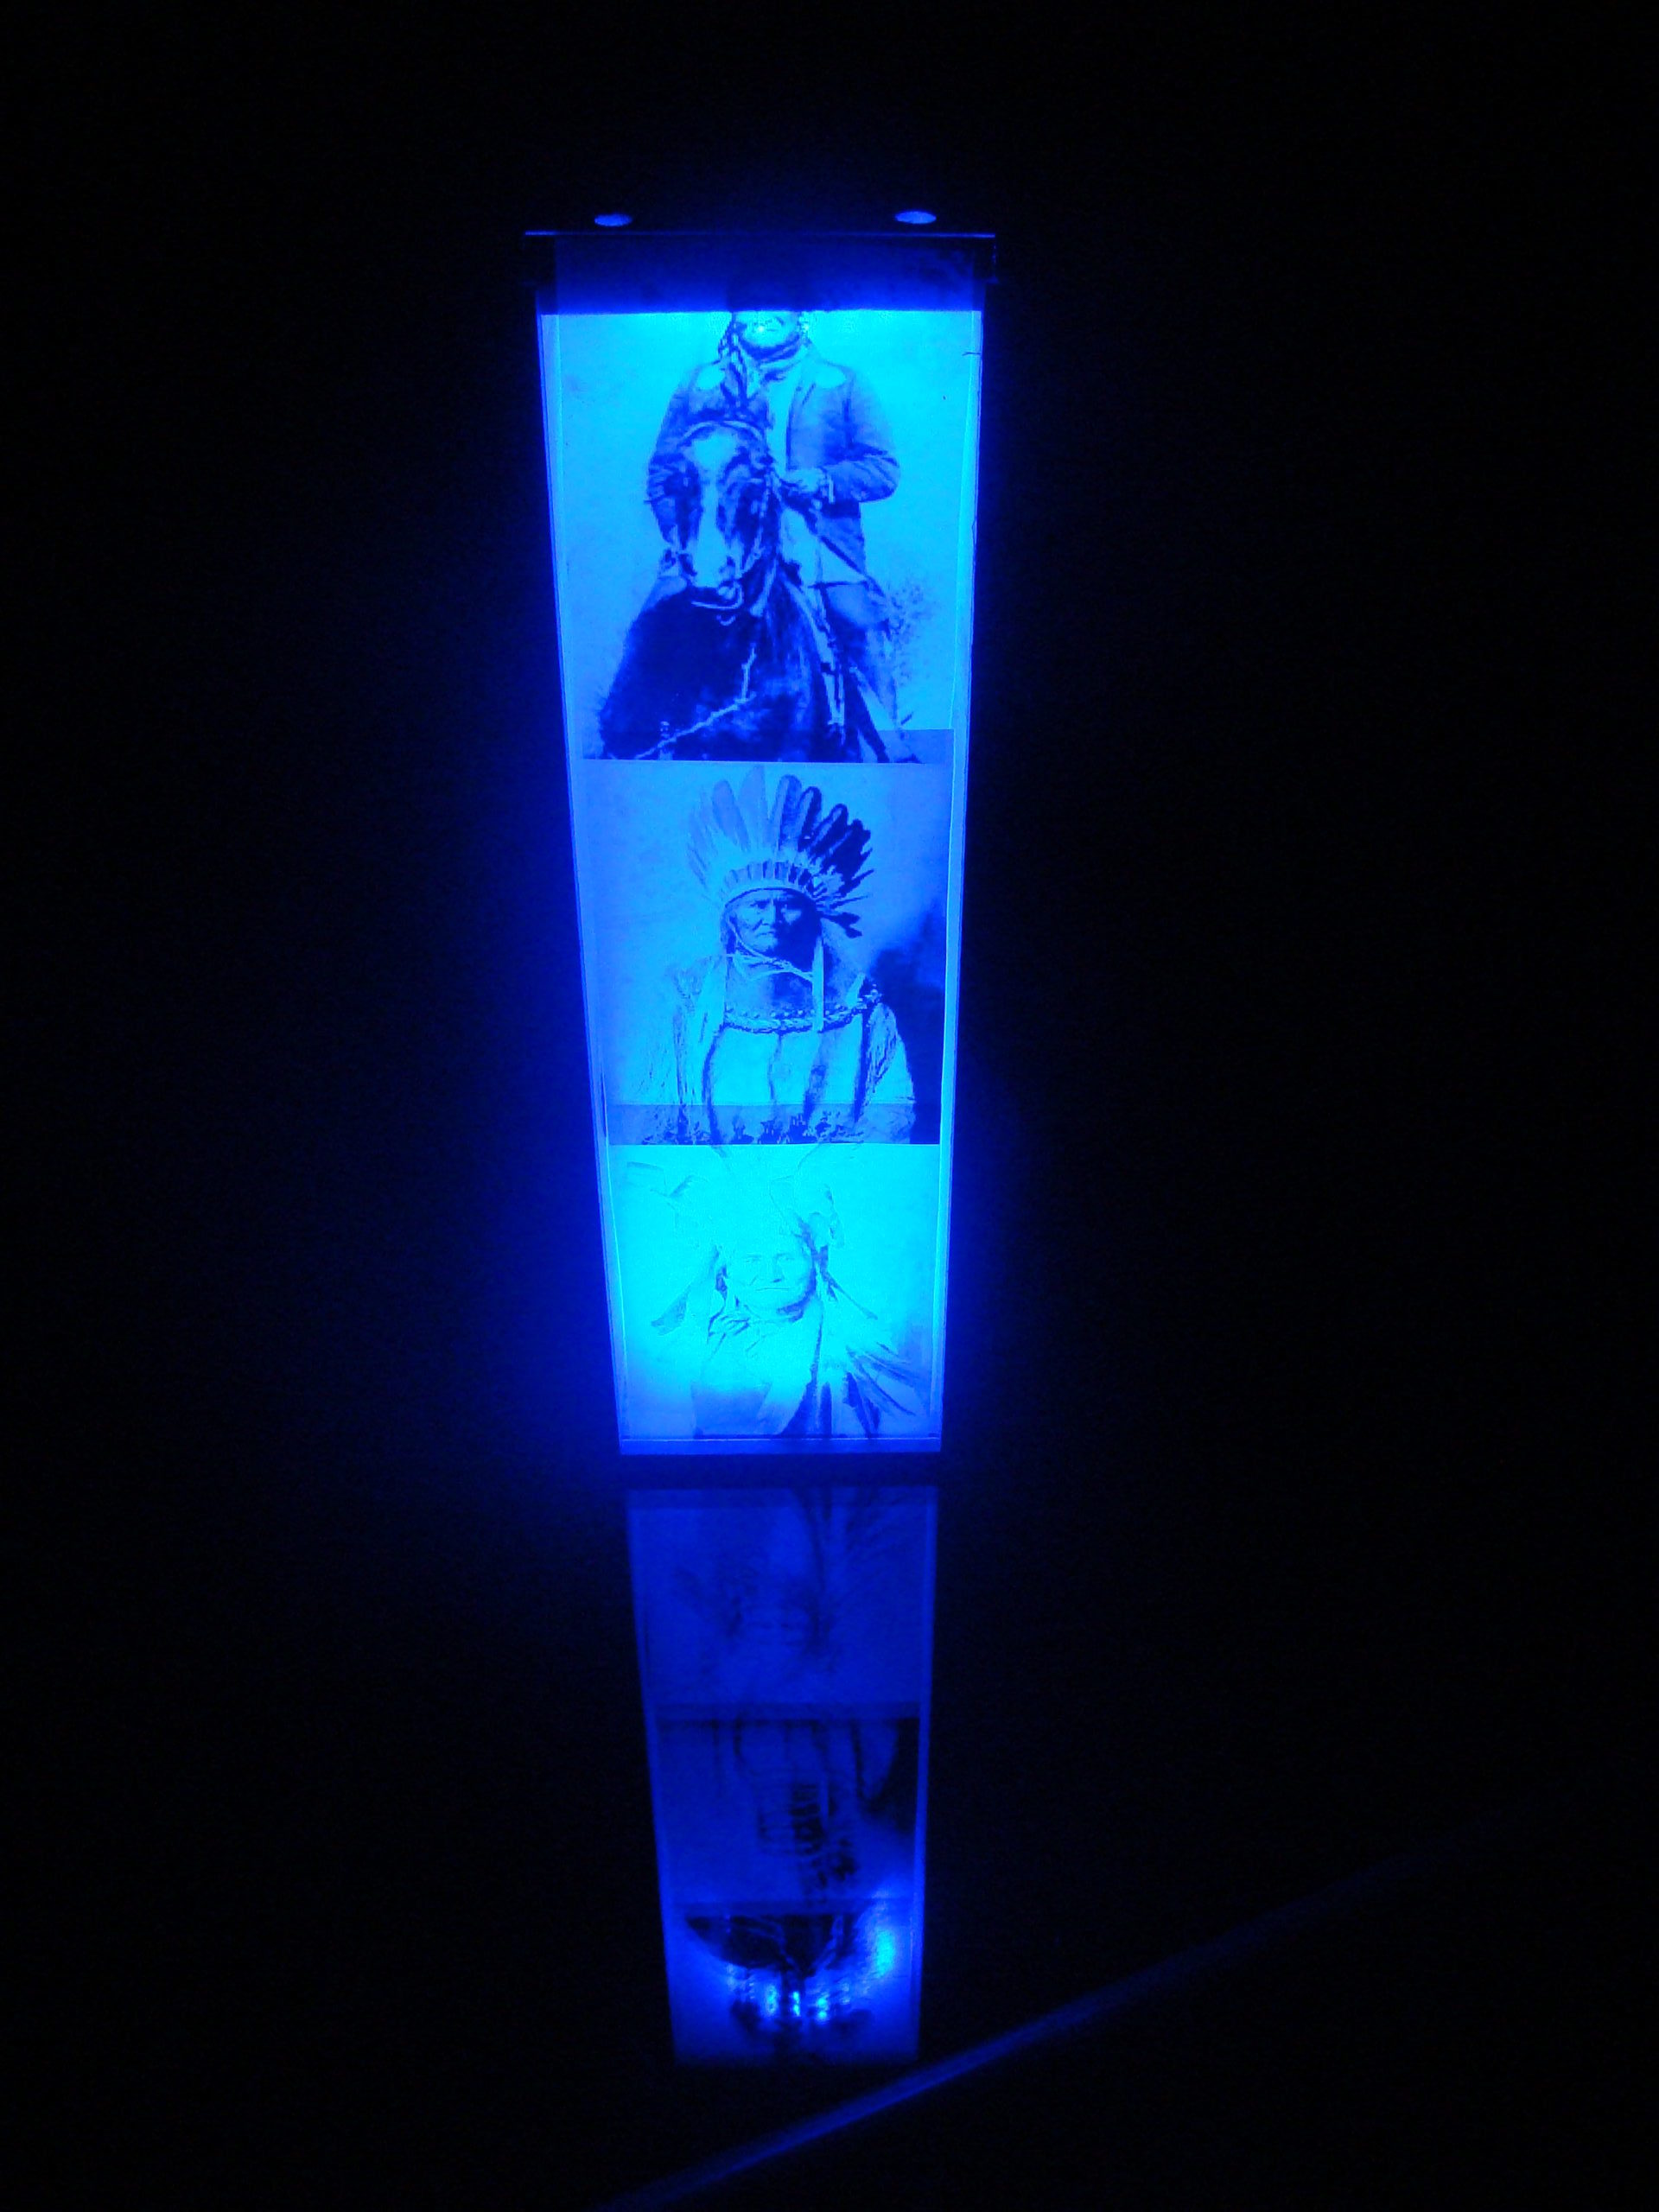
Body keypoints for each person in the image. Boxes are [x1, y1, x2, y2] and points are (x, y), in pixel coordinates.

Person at [645, 307, 904, 744]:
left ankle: (888, 748)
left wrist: (823, 481)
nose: (763, 315)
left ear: (800, 315)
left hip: (811, 535)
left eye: (776, 304)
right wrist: (682, 537)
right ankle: (636, 745)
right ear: (735, 317)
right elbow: (662, 471)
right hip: (718, 536)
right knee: (652, 621)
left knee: (858, 625)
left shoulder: (843, 383)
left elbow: (884, 469)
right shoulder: (699, 384)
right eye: (751, 305)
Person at [625, 766, 913, 1146]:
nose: (772, 919)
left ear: (810, 916)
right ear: (732, 918)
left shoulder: (857, 1006)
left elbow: (890, 1112)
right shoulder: (688, 999)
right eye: (757, 905)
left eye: (787, 905)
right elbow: (653, 1112)